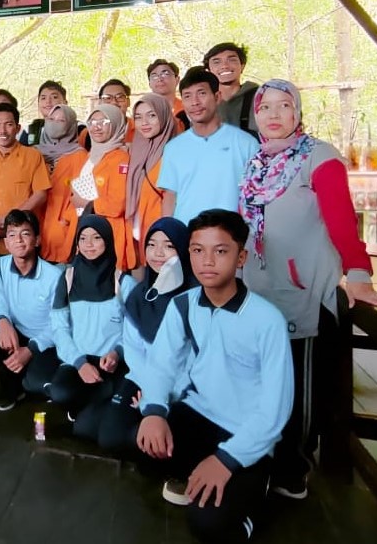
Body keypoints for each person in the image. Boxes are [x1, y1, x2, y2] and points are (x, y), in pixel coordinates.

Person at [238, 79, 377, 498]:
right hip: (258, 288)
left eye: (283, 105)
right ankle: (262, 457)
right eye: (265, 107)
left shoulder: (319, 156)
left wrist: (358, 272)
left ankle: (293, 469)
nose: (273, 115)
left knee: (299, 386)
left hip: (302, 292)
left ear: (298, 112)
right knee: (264, 380)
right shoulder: (257, 163)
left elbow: (342, 218)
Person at [136, 209, 292, 543]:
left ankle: (258, 490)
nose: (207, 261)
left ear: (241, 257)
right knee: (141, 446)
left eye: (220, 251)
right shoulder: (183, 305)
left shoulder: (267, 321)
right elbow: (160, 364)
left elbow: (275, 410)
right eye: (197, 250)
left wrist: (226, 460)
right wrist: (154, 411)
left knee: (207, 523)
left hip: (247, 432)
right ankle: (201, 471)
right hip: (201, 414)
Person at [97, 217, 196, 454]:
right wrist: (151, 392)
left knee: (161, 442)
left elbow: (195, 360)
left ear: (183, 250)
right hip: (143, 379)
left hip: (182, 389)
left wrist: (159, 400)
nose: (158, 253)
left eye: (169, 246)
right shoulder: (139, 296)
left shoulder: (196, 299)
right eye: (151, 245)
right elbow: (133, 351)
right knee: (107, 437)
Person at [0, 209, 64, 411]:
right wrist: (2, 321)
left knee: (36, 384)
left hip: (42, 342)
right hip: (11, 335)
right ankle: (5, 373)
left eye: (25, 234)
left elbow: (59, 325)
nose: (18, 240)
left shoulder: (55, 276)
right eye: (12, 235)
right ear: (6, 242)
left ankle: (16, 378)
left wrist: (31, 349)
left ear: (37, 240)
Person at [45, 216, 126, 424]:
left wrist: (117, 353)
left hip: (112, 362)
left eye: (96, 238)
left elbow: (134, 333)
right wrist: (80, 363)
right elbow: (59, 328)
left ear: (108, 241)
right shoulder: (68, 278)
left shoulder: (123, 282)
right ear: (77, 244)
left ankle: (95, 411)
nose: (89, 244)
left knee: (114, 404)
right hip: (78, 359)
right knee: (61, 393)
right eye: (83, 238)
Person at [159, 67, 259, 224]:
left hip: (232, 234)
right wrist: (168, 231)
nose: (195, 102)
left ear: (217, 97)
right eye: (187, 96)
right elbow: (170, 196)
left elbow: (257, 196)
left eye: (202, 93)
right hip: (186, 233)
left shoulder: (246, 144)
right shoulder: (173, 148)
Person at [0, 103, 51, 254]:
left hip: (22, 242)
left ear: (18, 128)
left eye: (8, 124)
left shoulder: (33, 156)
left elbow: (41, 194)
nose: (2, 131)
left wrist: (11, 220)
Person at [72, 104, 136, 270]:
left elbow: (118, 204)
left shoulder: (121, 158)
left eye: (104, 122)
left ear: (115, 124)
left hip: (109, 234)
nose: (97, 127)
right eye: (92, 122)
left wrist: (87, 203)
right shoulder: (92, 155)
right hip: (87, 230)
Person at [126, 94, 179, 264]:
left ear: (163, 115)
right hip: (136, 230)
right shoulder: (135, 149)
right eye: (138, 117)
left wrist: (166, 233)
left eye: (151, 115)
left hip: (161, 234)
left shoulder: (175, 153)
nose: (144, 122)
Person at [40, 104, 89, 264]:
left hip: (62, 226)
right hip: (35, 224)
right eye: (51, 119)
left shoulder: (80, 156)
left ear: (71, 125)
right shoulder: (34, 153)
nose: (54, 124)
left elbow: (83, 195)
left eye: (61, 120)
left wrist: (66, 219)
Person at [204, 43, 258, 136]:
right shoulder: (202, 103)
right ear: (209, 70)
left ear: (242, 66)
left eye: (231, 60)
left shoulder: (259, 98)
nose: (225, 66)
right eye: (217, 62)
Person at [20, 80, 68, 146]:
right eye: (43, 98)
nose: (48, 101)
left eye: (54, 97)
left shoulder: (78, 129)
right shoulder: (31, 131)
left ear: (65, 103)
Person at [146, 59, 186, 127]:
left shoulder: (188, 108)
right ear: (149, 83)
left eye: (165, 74)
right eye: (154, 76)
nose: (160, 79)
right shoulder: (143, 112)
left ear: (177, 79)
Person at [98, 79, 134, 143]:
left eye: (120, 97)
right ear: (100, 103)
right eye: (108, 98)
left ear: (128, 102)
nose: (114, 102)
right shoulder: (88, 134)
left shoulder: (141, 130)